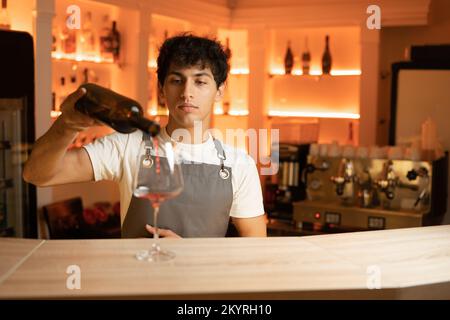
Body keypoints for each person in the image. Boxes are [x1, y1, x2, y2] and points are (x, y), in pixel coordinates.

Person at [23, 33, 267, 238]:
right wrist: (67, 125)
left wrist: (189, 253)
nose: (186, 93)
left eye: (200, 82)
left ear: (219, 91)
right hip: (136, 288)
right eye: (176, 80)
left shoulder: (238, 164)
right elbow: (37, 174)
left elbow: (255, 251)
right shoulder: (128, 146)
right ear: (162, 89)